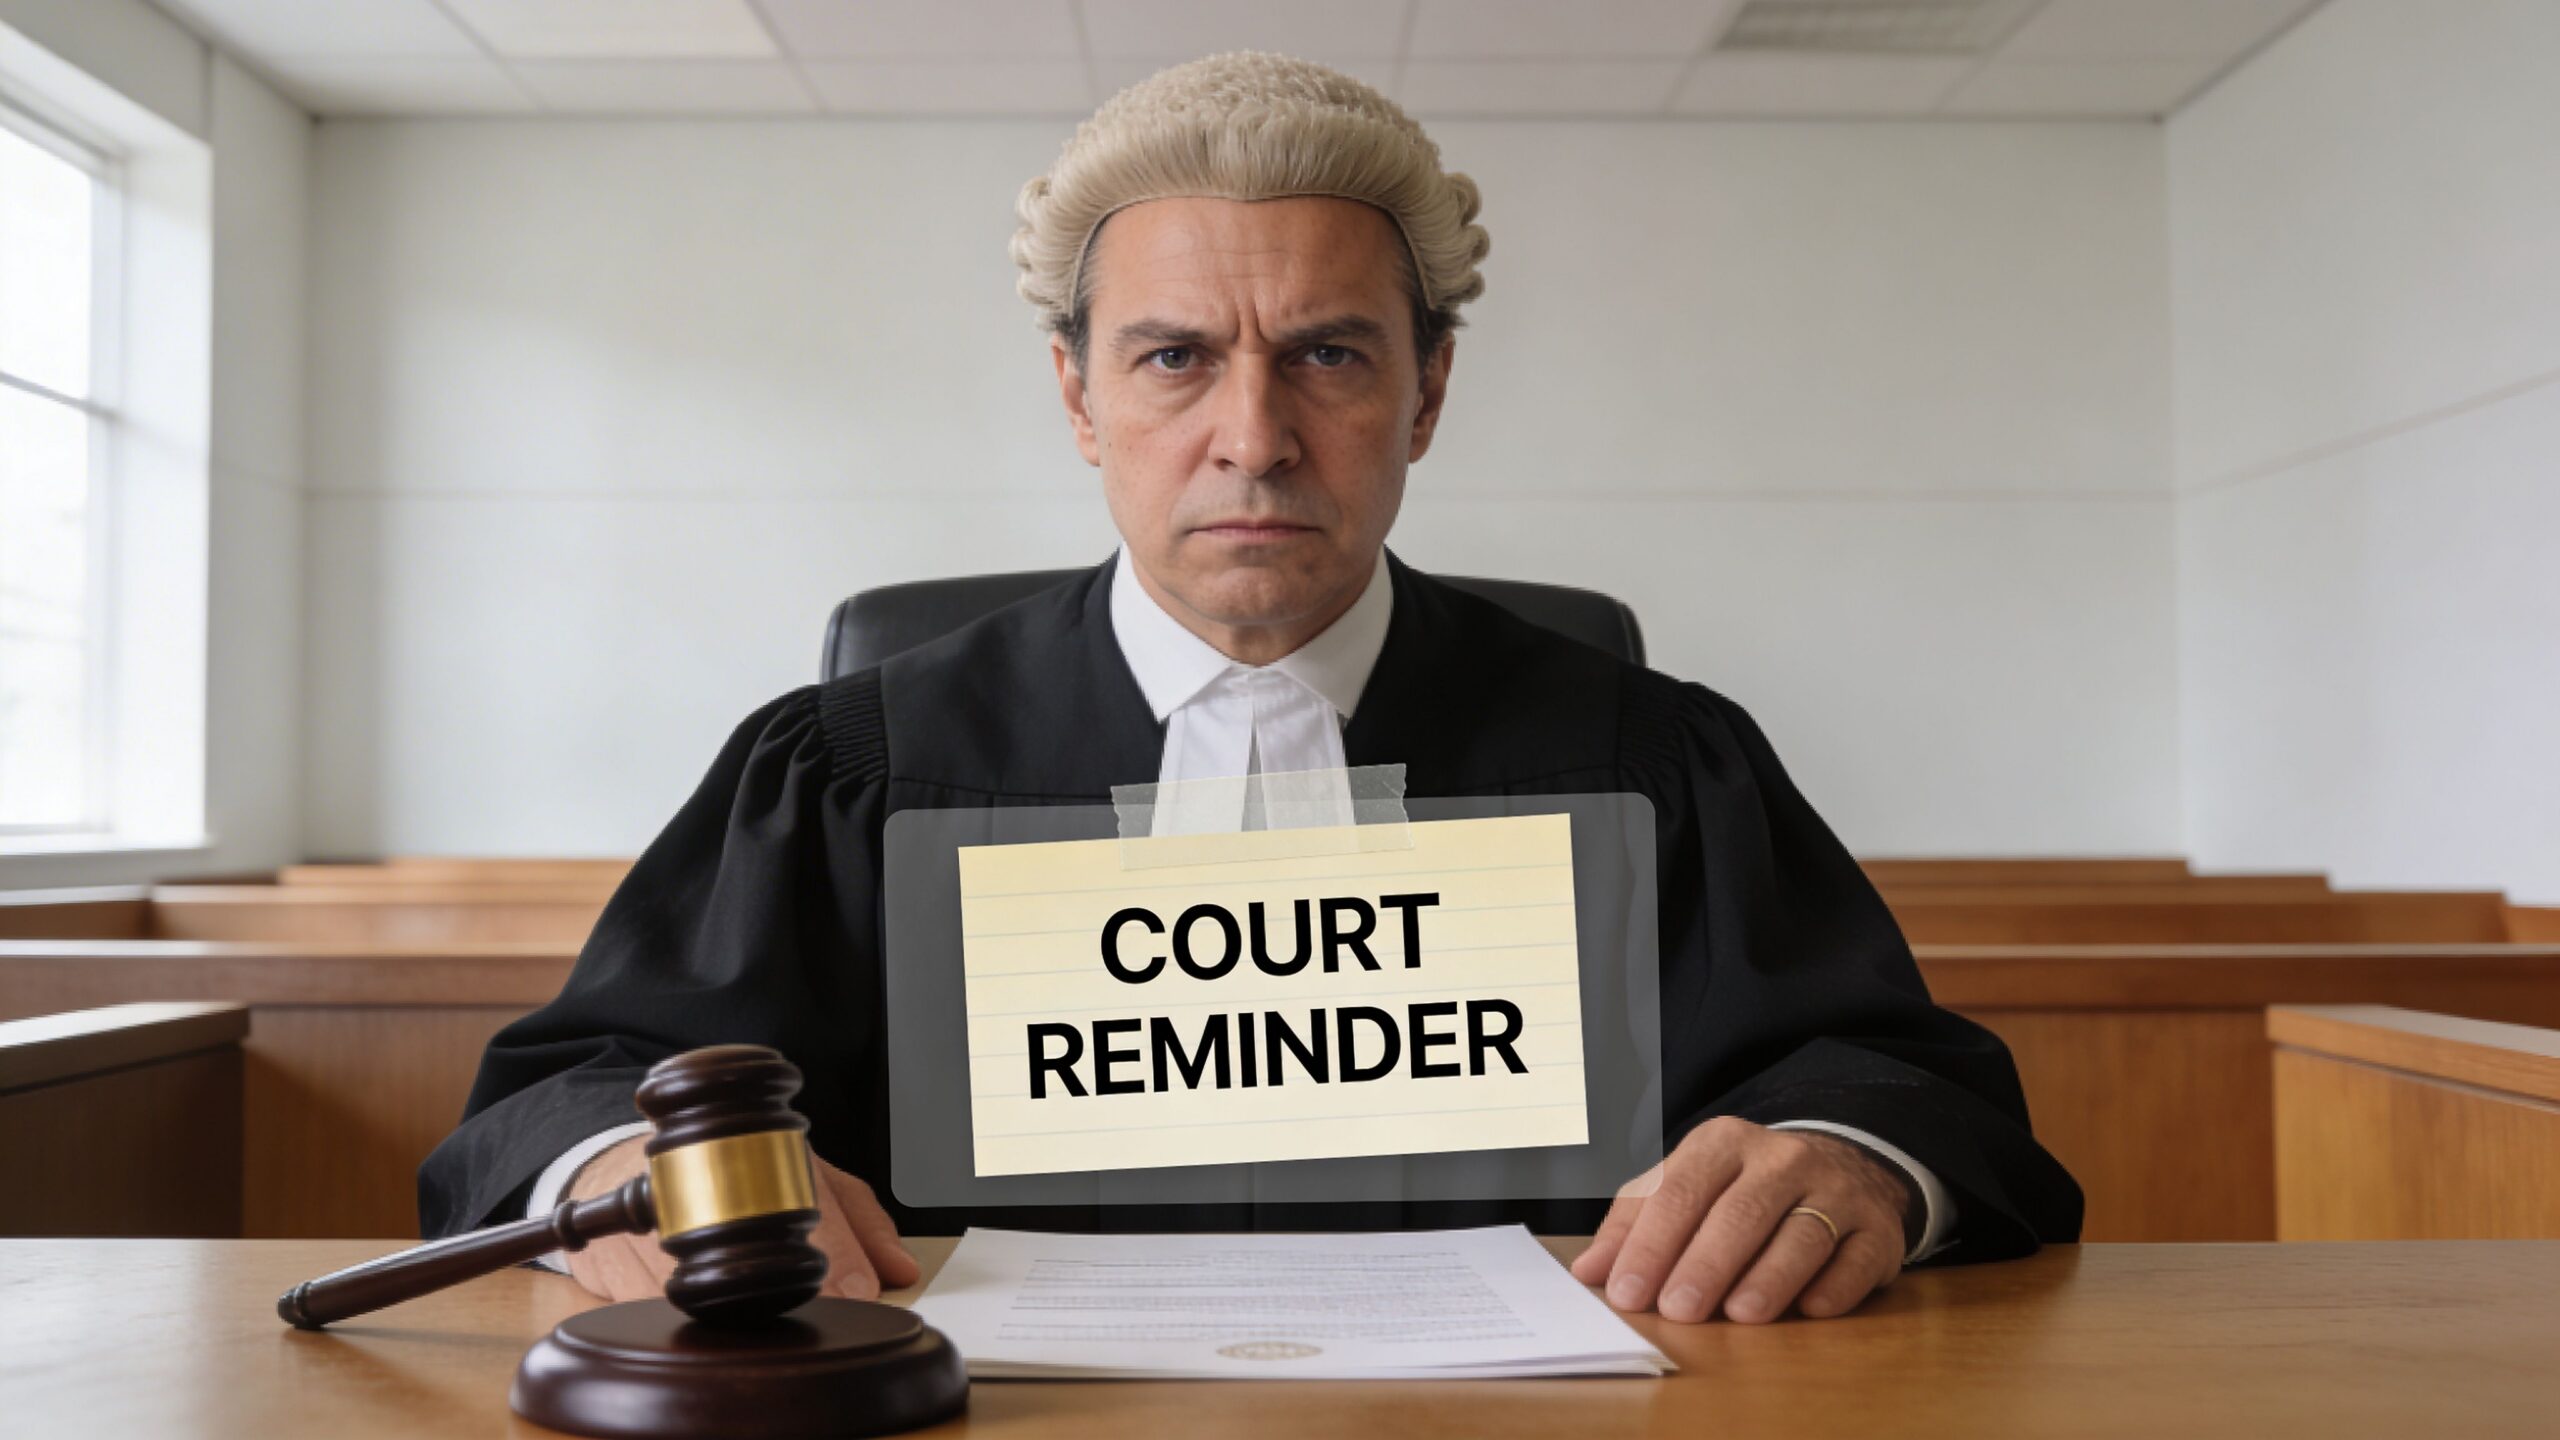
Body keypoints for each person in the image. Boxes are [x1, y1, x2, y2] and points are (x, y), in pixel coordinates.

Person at [419, 51, 2080, 1328]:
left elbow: (1917, 1093)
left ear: (1429, 392)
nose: (1255, 435)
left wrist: (1855, 1163)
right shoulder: (853, 766)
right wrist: (629, 1174)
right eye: (1174, 357)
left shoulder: (1654, 759)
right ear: (1077, 396)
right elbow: (553, 1101)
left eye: (1331, 355)